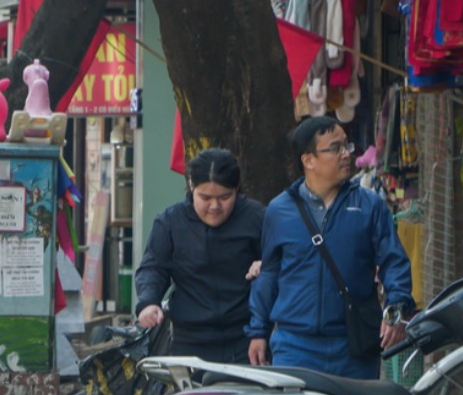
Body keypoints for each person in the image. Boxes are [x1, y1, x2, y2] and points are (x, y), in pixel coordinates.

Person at [246, 117, 414, 380]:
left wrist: (397, 308)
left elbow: (395, 262)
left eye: (347, 146)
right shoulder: (279, 211)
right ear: (308, 160)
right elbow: (270, 274)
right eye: (335, 149)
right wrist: (258, 331)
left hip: (353, 346)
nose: (347, 154)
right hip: (295, 346)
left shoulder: (369, 205)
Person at [134, 148, 265, 363]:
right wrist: (149, 302)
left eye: (225, 197)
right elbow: (153, 268)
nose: (215, 206)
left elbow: (280, 265)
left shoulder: (256, 217)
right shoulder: (170, 222)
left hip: (246, 337)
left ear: (237, 189)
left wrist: (264, 265)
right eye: (205, 197)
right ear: (191, 187)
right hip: (190, 341)